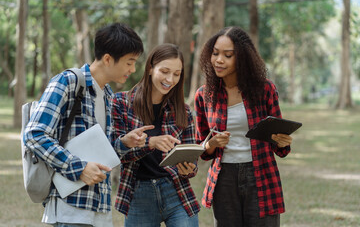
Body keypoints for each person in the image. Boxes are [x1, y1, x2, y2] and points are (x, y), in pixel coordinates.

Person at [23, 22, 146, 227]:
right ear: (108, 59)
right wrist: (78, 168)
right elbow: (34, 135)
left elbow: (97, 153)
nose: (133, 69)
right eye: (129, 62)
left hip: (99, 209)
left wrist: (123, 143)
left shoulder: (107, 95)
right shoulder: (68, 82)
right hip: (70, 209)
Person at [194, 26, 293, 227]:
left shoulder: (265, 89)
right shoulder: (204, 95)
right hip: (224, 178)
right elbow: (202, 149)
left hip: (261, 174)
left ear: (242, 58)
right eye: (215, 53)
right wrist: (211, 143)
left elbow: (280, 145)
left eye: (227, 55)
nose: (219, 60)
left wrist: (282, 141)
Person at [111, 43, 200, 226]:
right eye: (165, 71)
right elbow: (116, 152)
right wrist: (150, 143)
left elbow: (192, 157)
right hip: (138, 194)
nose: (170, 79)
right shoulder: (121, 103)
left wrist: (190, 169)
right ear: (150, 68)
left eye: (177, 74)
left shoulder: (183, 111)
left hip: (176, 191)